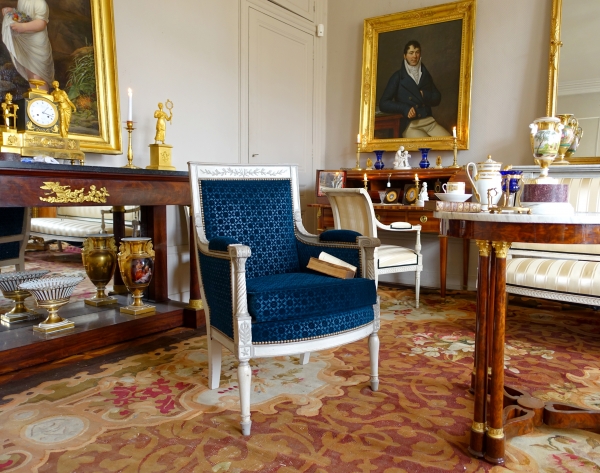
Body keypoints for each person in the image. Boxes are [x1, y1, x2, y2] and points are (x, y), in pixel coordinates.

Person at [379, 40, 450, 138]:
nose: (414, 56)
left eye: (417, 52)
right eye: (411, 53)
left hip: (429, 122)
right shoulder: (397, 77)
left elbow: (437, 97)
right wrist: (404, 108)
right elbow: (383, 103)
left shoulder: (425, 74)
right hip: (410, 125)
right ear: (405, 56)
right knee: (427, 147)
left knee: (448, 141)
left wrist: (424, 95)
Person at [2, 0, 55, 92]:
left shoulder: (40, 3)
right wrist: (13, 12)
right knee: (30, 73)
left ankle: (43, 100)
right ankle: (35, 99)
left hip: (37, 44)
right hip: (27, 43)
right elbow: (26, 18)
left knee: (38, 75)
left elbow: (41, 23)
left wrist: (23, 27)